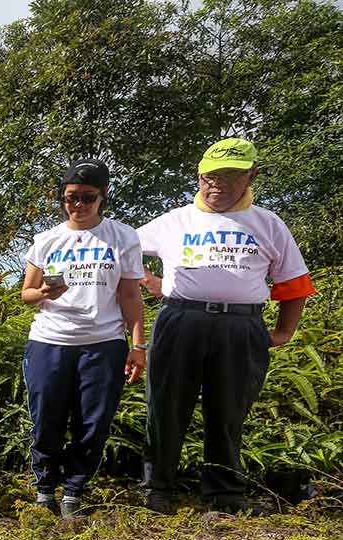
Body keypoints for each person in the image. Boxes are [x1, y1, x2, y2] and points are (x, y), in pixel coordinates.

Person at [137, 138, 315, 515]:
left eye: (231, 176)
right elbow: (123, 249)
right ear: (199, 176)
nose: (218, 185)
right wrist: (152, 282)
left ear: (252, 176)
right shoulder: (174, 220)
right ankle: (157, 489)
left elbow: (294, 282)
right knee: (165, 405)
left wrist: (284, 332)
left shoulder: (268, 223)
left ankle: (225, 494)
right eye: (211, 177)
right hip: (180, 319)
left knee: (229, 410)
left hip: (241, 324)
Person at [19, 160, 146, 518]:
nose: (78, 204)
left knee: (93, 420)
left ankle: (74, 491)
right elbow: (27, 294)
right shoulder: (47, 239)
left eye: (88, 197)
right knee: (46, 417)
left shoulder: (122, 236)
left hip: (104, 341)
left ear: (103, 195)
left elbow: (130, 295)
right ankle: (45, 489)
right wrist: (44, 292)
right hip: (50, 340)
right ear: (62, 198)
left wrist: (138, 345)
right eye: (70, 197)